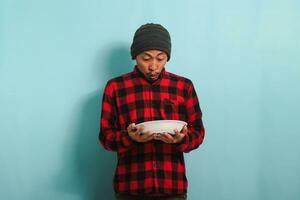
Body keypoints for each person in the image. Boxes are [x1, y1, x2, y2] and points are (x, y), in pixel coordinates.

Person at [99, 23, 205, 200]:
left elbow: (198, 133)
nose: (153, 66)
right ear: (135, 56)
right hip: (130, 188)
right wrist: (129, 137)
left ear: (167, 58)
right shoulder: (115, 87)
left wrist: (182, 139)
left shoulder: (183, 86)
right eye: (146, 58)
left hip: (172, 189)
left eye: (160, 58)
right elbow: (105, 137)